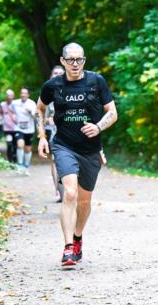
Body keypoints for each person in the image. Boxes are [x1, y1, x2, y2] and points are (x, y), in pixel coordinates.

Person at [37, 43, 117, 267]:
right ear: (62, 61)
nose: (75, 64)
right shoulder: (53, 85)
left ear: (84, 60)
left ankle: (78, 236)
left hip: (90, 149)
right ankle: (68, 248)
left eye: (79, 59)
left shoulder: (96, 81)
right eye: (70, 59)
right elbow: (40, 108)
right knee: (69, 193)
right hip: (64, 146)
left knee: (84, 201)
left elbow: (112, 112)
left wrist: (98, 127)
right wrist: (42, 136)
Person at [45, 65, 65, 201]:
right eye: (55, 73)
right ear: (51, 76)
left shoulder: (73, 90)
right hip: (54, 135)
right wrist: (49, 120)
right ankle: (59, 191)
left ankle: (68, 190)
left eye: (60, 73)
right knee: (56, 162)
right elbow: (41, 115)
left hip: (72, 134)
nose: (57, 75)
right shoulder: (47, 94)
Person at [11, 88, 39, 175]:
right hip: (19, 128)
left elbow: (35, 116)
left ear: (28, 95)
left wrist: (31, 112)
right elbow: (11, 111)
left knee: (28, 149)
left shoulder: (31, 103)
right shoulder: (15, 103)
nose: (23, 95)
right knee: (20, 145)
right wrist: (13, 118)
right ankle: (19, 166)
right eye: (22, 93)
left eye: (25, 93)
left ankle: (26, 167)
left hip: (29, 129)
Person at [0, 90, 17, 164]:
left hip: (16, 128)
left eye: (11, 95)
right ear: (6, 96)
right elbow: (0, 113)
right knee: (9, 144)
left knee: (15, 144)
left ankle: (15, 158)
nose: (9, 97)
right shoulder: (2, 104)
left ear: (13, 96)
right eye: (8, 95)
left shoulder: (16, 104)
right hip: (7, 129)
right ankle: (10, 160)